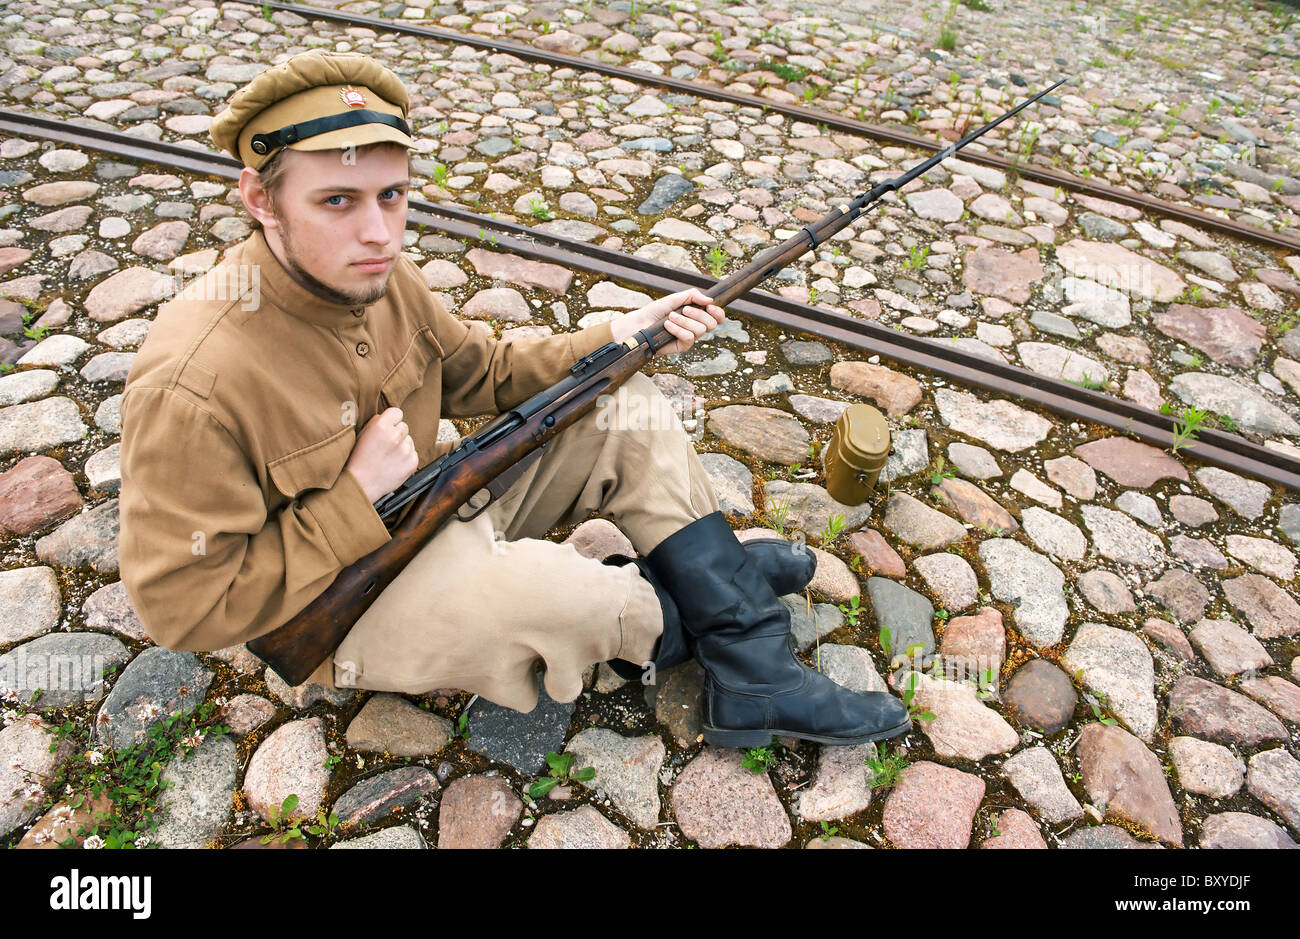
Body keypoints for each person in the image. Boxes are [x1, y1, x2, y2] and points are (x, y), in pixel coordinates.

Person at [117, 50, 910, 748]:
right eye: (338, 201)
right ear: (261, 199)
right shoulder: (194, 383)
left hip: (432, 508)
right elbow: (183, 609)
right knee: (565, 595)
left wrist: (624, 333)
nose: (380, 233)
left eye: (392, 195)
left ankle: (749, 661)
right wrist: (352, 497)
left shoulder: (383, 278)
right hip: (335, 610)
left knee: (624, 410)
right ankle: (701, 592)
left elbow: (483, 372)